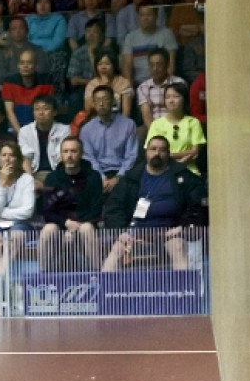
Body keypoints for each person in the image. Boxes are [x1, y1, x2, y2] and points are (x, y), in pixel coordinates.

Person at [102, 134, 207, 271]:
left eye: (162, 150)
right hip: (134, 233)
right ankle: (105, 291)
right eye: (153, 149)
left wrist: (182, 228)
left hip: (170, 233)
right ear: (146, 152)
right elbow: (113, 208)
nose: (157, 153)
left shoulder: (184, 177)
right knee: (116, 251)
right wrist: (122, 232)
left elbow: (197, 205)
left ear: (168, 153)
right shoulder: (131, 178)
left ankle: (183, 291)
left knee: (177, 247)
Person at [38, 136, 102, 272]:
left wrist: (76, 226)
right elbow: (48, 211)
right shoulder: (52, 178)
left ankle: (98, 274)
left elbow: (96, 209)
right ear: (61, 154)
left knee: (87, 229)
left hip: (85, 224)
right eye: (65, 151)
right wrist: (65, 224)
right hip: (60, 224)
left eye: (73, 151)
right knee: (48, 230)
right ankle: (43, 275)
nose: (69, 155)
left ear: (81, 153)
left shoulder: (93, 177)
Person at [0, 141, 35, 273]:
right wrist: (3, 183)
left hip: (19, 224)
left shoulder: (27, 179)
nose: (7, 159)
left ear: (18, 159)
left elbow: (27, 211)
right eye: (3, 155)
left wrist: (2, 214)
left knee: (14, 238)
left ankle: (1, 280)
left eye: (11, 155)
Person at [79, 85, 139, 199]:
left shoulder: (128, 124)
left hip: (122, 171)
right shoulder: (86, 129)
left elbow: (131, 155)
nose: (101, 104)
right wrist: (102, 177)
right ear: (93, 103)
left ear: (113, 101)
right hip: (97, 172)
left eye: (105, 99)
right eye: (97, 100)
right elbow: (89, 157)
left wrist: (118, 177)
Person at [145, 82, 206, 174]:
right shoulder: (156, 124)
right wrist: (180, 158)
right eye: (167, 97)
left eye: (176, 96)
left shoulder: (193, 122)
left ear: (184, 99)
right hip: (163, 171)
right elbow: (151, 151)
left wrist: (168, 156)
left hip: (189, 170)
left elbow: (195, 151)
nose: (171, 100)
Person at [17, 93, 70, 186]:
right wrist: (30, 182)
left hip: (56, 172)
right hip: (33, 172)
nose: (41, 113)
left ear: (54, 112)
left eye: (46, 109)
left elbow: (62, 157)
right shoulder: (24, 131)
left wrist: (56, 180)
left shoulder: (64, 130)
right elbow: (26, 157)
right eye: (37, 109)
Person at [120, 4, 178, 88]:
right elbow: (127, 67)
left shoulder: (167, 34)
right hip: (138, 83)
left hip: (161, 82)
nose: (145, 18)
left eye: (149, 15)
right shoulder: (130, 37)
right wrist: (130, 89)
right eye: (142, 15)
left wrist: (165, 86)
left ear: (156, 16)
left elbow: (171, 65)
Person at [1, 49, 54, 134]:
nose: (25, 66)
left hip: (39, 125)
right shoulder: (9, 81)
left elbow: (46, 109)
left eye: (29, 63)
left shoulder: (45, 81)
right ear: (18, 65)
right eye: (22, 63)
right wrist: (21, 134)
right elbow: (9, 112)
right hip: (15, 126)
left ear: (36, 66)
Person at [136, 47, 186, 129]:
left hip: (176, 125)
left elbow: (182, 111)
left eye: (159, 64)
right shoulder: (142, 87)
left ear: (167, 65)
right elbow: (147, 117)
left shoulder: (179, 83)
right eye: (152, 65)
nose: (155, 68)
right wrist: (156, 135)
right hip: (153, 128)